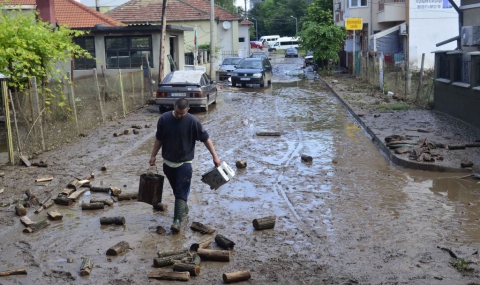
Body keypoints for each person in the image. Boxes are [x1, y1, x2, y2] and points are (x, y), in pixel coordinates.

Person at [149, 98, 221, 233]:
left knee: (180, 192)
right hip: (168, 163)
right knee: (177, 191)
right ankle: (184, 207)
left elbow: (206, 139)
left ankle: (176, 221)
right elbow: (159, 139)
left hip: (185, 163)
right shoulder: (164, 119)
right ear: (173, 107)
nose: (179, 115)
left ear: (187, 110)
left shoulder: (193, 121)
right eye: (177, 112)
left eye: (182, 113)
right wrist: (153, 155)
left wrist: (215, 156)